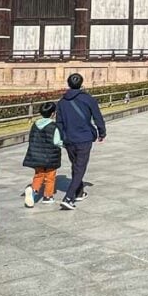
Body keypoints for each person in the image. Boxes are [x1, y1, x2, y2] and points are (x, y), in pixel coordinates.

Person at [56, 73, 106, 210]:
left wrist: (63, 137)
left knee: (76, 166)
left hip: (69, 139)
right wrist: (102, 132)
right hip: (84, 138)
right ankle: (68, 197)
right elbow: (97, 117)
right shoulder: (88, 99)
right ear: (81, 83)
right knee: (80, 168)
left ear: (69, 83)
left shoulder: (62, 102)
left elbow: (59, 122)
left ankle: (79, 192)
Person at [23, 101, 63, 208]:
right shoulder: (53, 126)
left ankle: (33, 190)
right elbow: (57, 141)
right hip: (51, 156)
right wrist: (64, 144)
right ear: (53, 113)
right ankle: (48, 196)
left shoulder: (35, 125)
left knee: (39, 174)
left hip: (37, 155)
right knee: (50, 176)